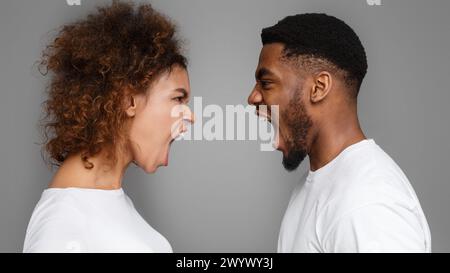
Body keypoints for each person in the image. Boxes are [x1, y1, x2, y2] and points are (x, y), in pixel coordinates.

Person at [247, 13, 431, 252]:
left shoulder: (369, 204)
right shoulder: (317, 184)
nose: (252, 97)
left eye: (267, 82)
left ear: (319, 88)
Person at [23, 1, 193, 252]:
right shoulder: (63, 228)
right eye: (178, 98)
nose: (190, 115)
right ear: (129, 100)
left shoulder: (110, 200)